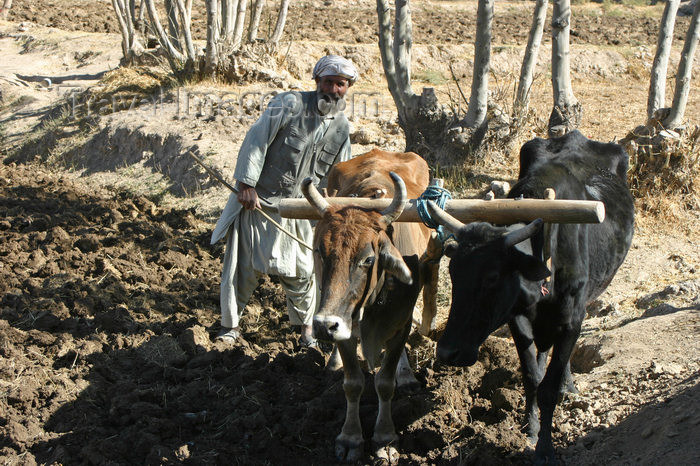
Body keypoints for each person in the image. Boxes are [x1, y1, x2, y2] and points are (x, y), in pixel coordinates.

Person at [210, 55, 358, 347]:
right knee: (243, 269)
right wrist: (246, 185)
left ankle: (306, 332)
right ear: (317, 82)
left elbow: (340, 173)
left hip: (301, 212)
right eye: (328, 82)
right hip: (261, 202)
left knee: (303, 273)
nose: (333, 89)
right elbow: (256, 140)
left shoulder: (342, 128)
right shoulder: (288, 104)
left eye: (340, 84)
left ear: (347, 88)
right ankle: (230, 328)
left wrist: (335, 207)